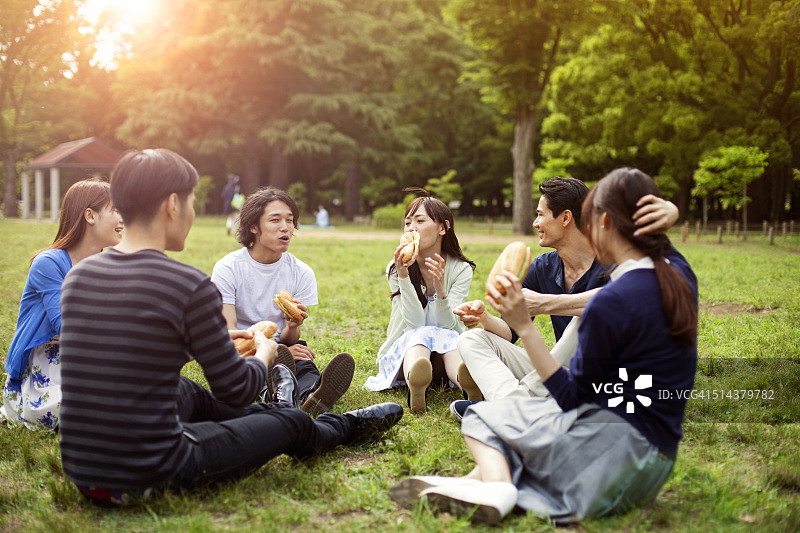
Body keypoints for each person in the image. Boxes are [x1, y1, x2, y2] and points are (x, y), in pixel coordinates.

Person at [58, 148, 402, 506]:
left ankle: (276, 408)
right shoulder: (187, 284)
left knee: (185, 390)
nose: (191, 213)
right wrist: (264, 355)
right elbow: (236, 389)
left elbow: (137, 348)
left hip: (84, 470)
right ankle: (338, 426)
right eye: (191, 202)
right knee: (290, 424)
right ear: (172, 205)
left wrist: (204, 341)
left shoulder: (79, 276)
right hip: (147, 473)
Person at [391, 168, 698, 524]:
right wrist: (495, 319)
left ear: (604, 222)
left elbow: (570, 399)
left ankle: (499, 484)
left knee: (483, 418)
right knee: (515, 415)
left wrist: (526, 324)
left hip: (605, 467)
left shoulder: (607, 302)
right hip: (656, 463)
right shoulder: (677, 274)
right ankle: (473, 483)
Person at [452, 177, 678, 413]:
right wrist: (484, 318)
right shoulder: (541, 268)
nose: (534, 223)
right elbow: (510, 333)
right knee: (471, 339)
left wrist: (545, 303)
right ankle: (516, 405)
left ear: (565, 218)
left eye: (540, 214)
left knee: (594, 311)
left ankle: (515, 409)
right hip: (564, 374)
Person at [211, 187, 355, 417]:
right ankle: (275, 394)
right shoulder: (228, 268)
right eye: (275, 220)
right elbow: (228, 332)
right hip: (243, 348)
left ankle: (310, 395)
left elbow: (289, 340)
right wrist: (271, 350)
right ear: (253, 226)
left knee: (303, 362)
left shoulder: (301, 272)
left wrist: (292, 327)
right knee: (253, 369)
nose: (285, 227)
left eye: (290, 220)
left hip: (283, 347)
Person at [1, 178, 123, 431]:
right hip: (46, 367)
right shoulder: (49, 263)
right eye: (116, 210)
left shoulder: (110, 264)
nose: (124, 218)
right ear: (90, 216)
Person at [364, 190, 478, 413]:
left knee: (447, 336)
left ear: (443, 228)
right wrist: (404, 276)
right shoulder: (395, 267)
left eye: (419, 221)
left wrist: (441, 289)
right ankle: (415, 382)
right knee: (420, 334)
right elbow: (415, 323)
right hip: (406, 352)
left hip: (445, 355)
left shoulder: (461, 269)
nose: (411, 228)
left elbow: (446, 324)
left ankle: (467, 386)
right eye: (407, 223)